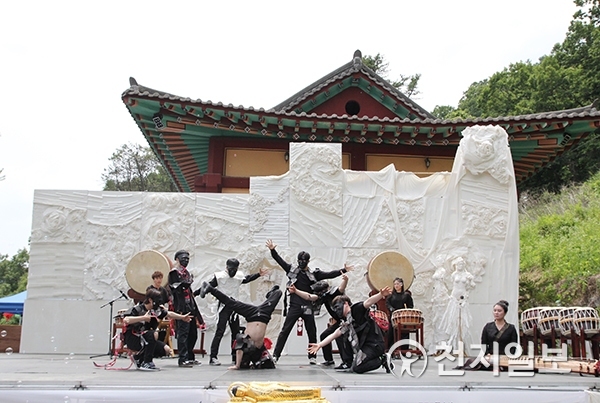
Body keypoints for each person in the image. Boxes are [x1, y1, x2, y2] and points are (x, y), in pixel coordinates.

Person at [265, 239, 353, 365]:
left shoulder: (313, 274)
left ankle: (312, 356)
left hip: (307, 305)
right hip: (294, 306)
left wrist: (343, 270)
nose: (301, 263)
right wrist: (272, 250)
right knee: (285, 330)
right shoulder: (292, 270)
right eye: (299, 261)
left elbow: (329, 274)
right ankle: (276, 355)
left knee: (312, 331)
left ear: (308, 261)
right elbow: (279, 261)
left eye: (304, 261)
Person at [198, 280, 283, 370]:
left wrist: (237, 366)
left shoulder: (244, 342)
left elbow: (239, 350)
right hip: (263, 316)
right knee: (278, 293)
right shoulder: (259, 350)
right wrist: (243, 365)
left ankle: (209, 288)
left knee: (231, 303)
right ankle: (272, 292)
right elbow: (269, 364)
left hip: (252, 314)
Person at [308, 286, 393, 374]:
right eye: (335, 308)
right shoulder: (346, 320)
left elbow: (368, 302)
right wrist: (319, 345)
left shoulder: (356, 309)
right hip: (364, 346)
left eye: (337, 307)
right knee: (344, 336)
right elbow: (335, 334)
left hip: (374, 344)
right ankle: (347, 362)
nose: (337, 310)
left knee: (358, 368)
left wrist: (380, 294)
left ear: (346, 304)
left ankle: (383, 359)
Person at [205, 258, 268, 366]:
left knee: (236, 333)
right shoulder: (219, 276)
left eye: (235, 269)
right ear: (227, 267)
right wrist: (196, 293)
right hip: (223, 307)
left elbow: (246, 279)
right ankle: (213, 357)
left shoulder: (238, 276)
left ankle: (235, 356)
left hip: (234, 307)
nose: (232, 271)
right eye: (231, 269)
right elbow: (208, 286)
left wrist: (258, 274)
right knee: (219, 331)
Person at [288, 275, 353, 369]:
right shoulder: (323, 298)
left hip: (347, 321)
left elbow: (341, 288)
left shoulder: (334, 294)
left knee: (340, 337)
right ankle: (329, 360)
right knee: (324, 335)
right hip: (339, 321)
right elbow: (309, 297)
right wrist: (296, 291)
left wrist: (345, 280)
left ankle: (346, 362)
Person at [123, 288, 192, 371]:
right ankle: (147, 362)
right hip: (133, 339)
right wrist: (143, 318)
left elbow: (168, 313)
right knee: (153, 334)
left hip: (146, 338)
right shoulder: (138, 308)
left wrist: (182, 317)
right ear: (150, 300)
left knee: (166, 350)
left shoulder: (155, 310)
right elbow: (126, 319)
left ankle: (139, 358)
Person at [168, 249, 205, 368]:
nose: (186, 261)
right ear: (177, 259)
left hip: (190, 305)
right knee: (183, 334)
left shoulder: (186, 273)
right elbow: (174, 288)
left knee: (192, 333)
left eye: (188, 259)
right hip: (181, 306)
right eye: (183, 259)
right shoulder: (174, 272)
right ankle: (182, 358)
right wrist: (185, 283)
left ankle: (190, 356)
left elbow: (188, 289)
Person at [440, 256, 476, 351]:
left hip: (462, 297)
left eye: (461, 264)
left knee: (463, 320)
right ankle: (453, 344)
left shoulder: (467, 275)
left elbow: (472, 286)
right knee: (453, 318)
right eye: (458, 264)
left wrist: (470, 282)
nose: (459, 266)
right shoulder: (453, 274)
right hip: (454, 296)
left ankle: (461, 344)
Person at [386, 277, 414, 348]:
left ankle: (404, 350)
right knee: (392, 333)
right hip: (394, 317)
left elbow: (410, 305)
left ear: (401, 284)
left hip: (403, 317)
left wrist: (406, 311)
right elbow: (387, 304)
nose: (396, 286)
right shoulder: (391, 296)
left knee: (404, 333)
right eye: (395, 284)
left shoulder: (406, 295)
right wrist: (391, 309)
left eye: (397, 284)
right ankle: (392, 350)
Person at [146, 270, 171, 344]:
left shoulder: (163, 290)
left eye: (160, 278)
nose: (159, 280)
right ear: (153, 279)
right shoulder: (150, 289)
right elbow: (148, 301)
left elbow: (167, 301)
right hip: (153, 311)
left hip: (161, 311)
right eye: (157, 278)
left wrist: (166, 307)